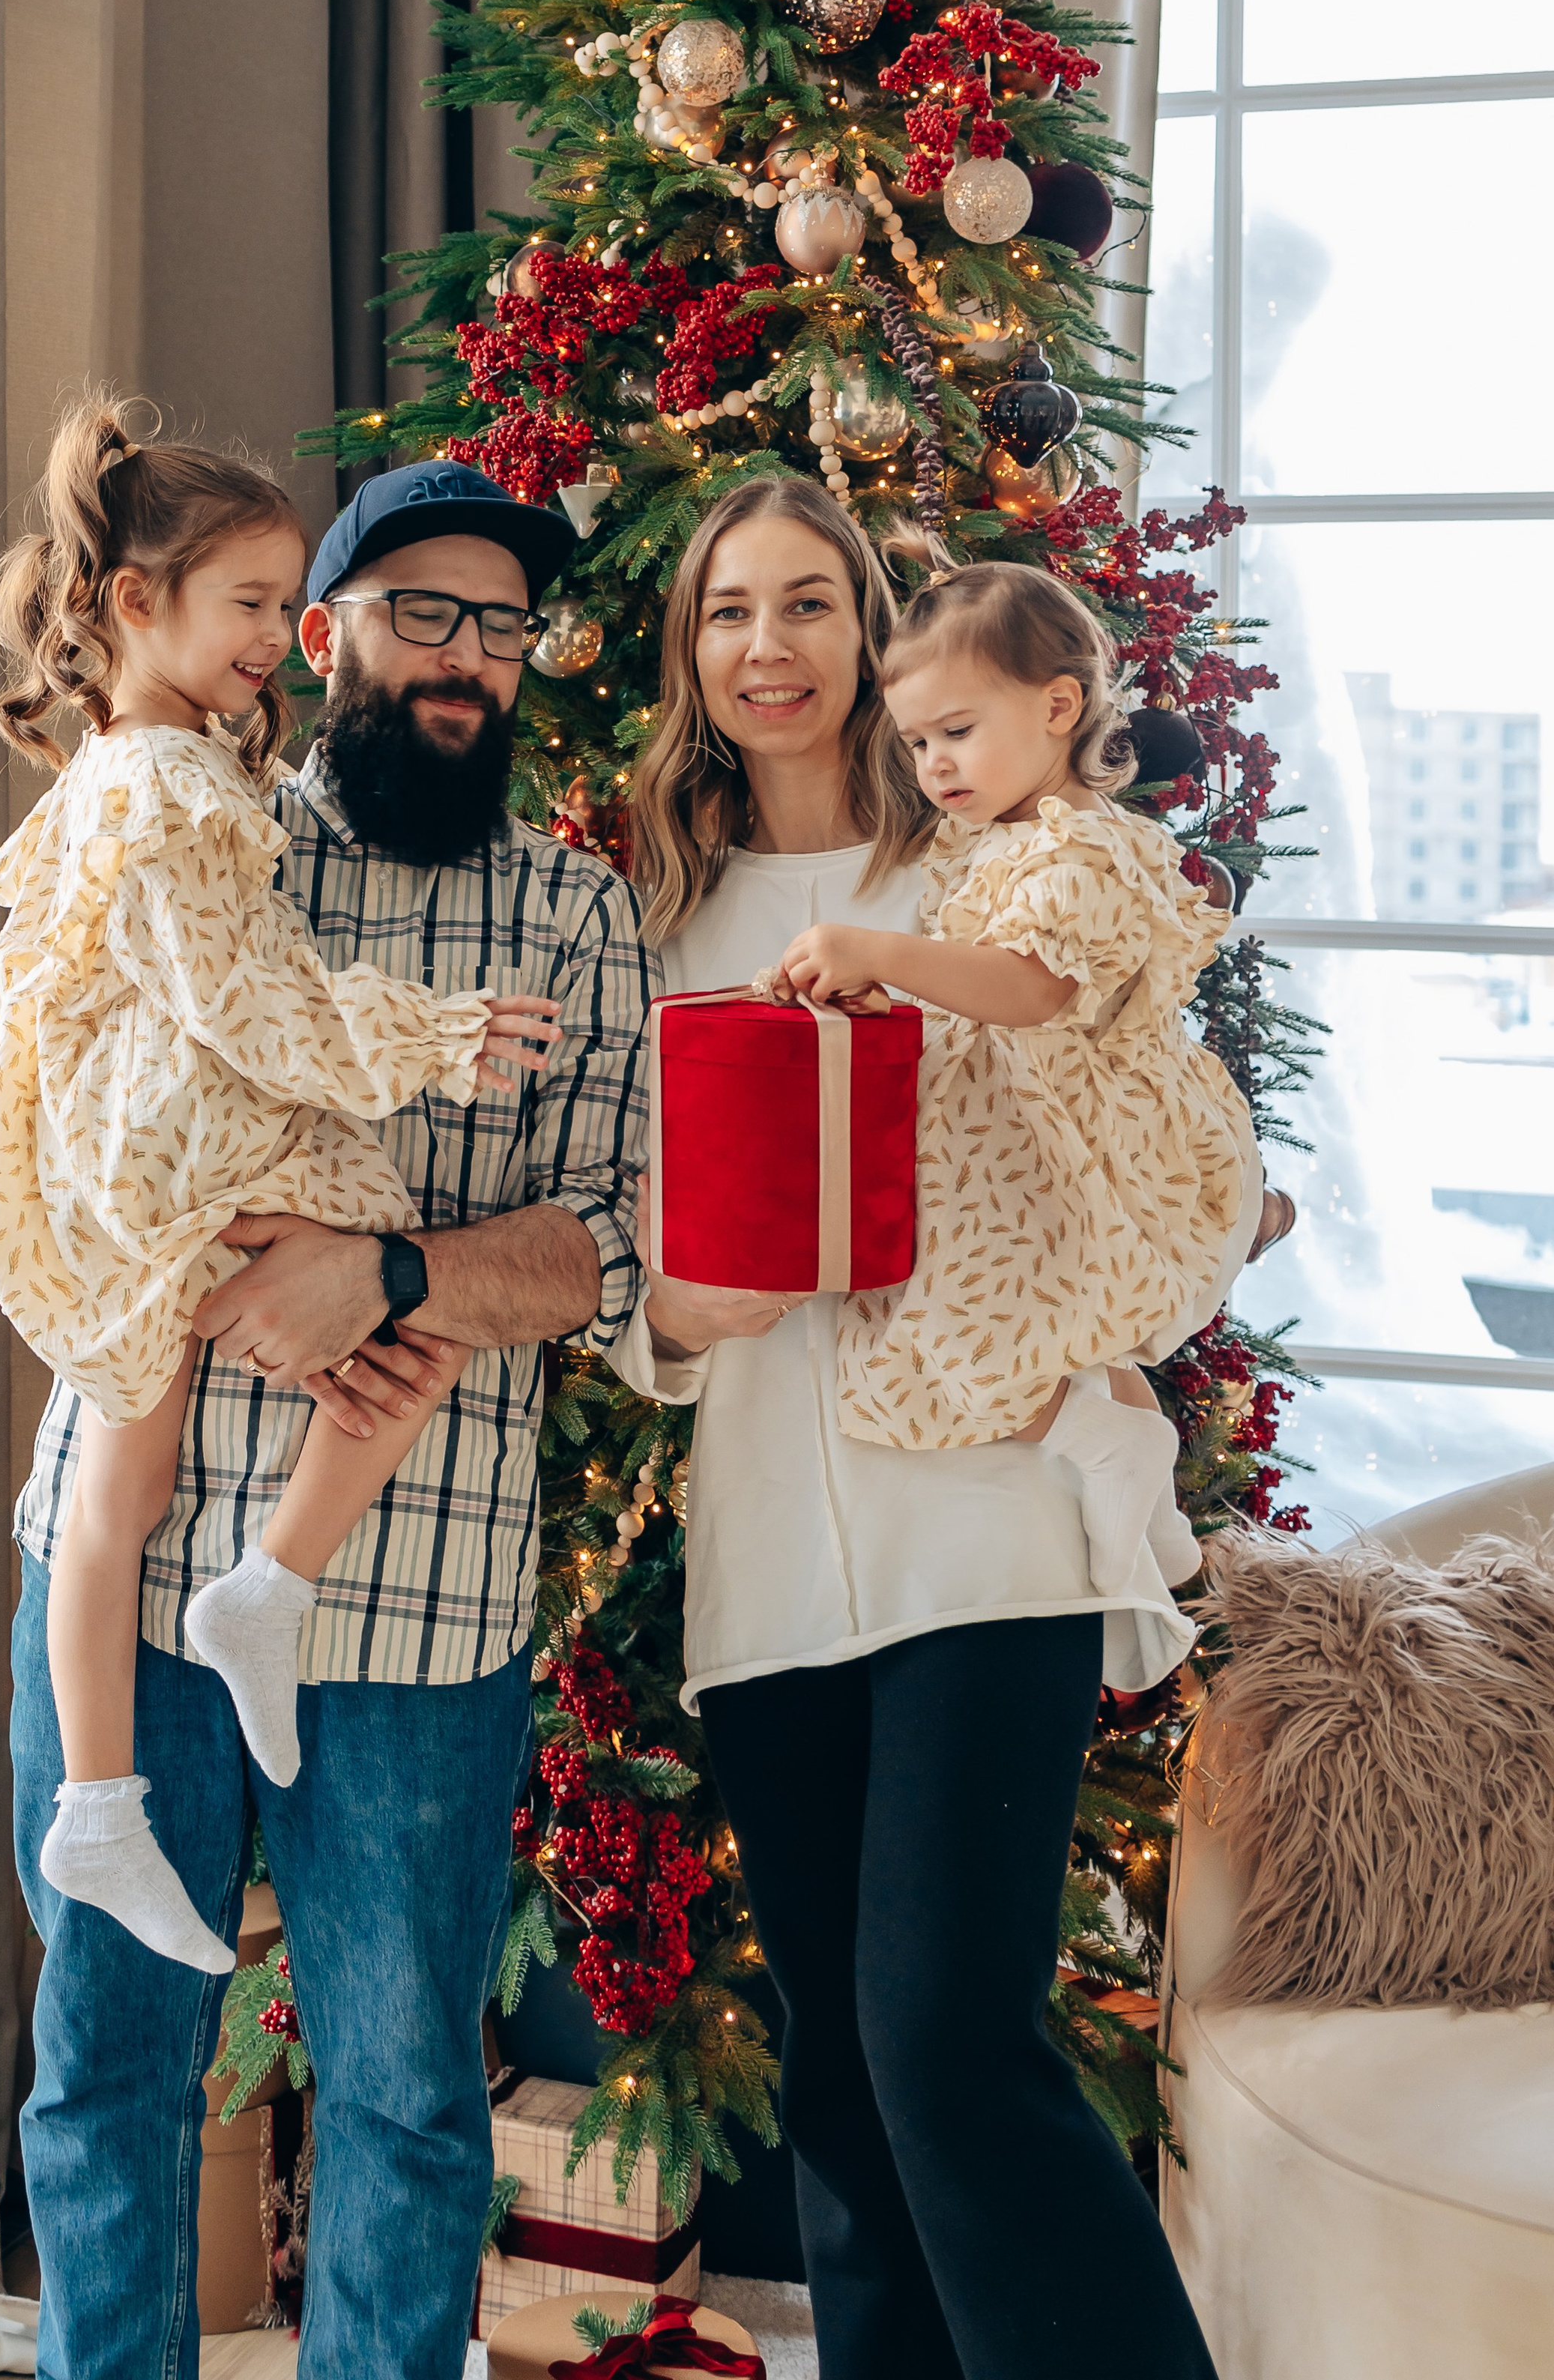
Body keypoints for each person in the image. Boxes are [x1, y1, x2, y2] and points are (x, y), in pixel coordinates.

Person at [0, 455, 655, 2380]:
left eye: (500, 625)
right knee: (103, 2073)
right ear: (313, 634)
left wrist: (389, 1271)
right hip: (132, 1560)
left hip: (412, 1604)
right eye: (419, 609)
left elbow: (611, 1245)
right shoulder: (186, 837)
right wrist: (219, 1256)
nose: (465, 656)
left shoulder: (576, 918)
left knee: (410, 2098)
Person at [609, 470, 1225, 2380]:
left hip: (980, 1514)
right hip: (767, 1553)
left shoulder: (982, 868)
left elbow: (1133, 1099)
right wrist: (670, 1321)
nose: (768, 645)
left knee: (949, 2036)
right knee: (840, 2083)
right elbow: (633, 1250)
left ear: (875, 649)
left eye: (809, 605)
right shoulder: (653, 916)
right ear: (688, 655)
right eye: (728, 612)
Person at [0, 399, 561, 1976]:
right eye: (252, 608)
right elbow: (250, 1007)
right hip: (172, 1153)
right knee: (150, 1459)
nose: (267, 655)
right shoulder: (176, 796)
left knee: (348, 1336)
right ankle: (184, 1691)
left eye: (499, 623)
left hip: (162, 1152)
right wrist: (436, 1035)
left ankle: (220, 1644)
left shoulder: (147, 772)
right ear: (131, 605)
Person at [770, 553, 1260, 1598]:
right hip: (1003, 1139)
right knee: (1009, 1323)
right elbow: (974, 985)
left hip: (1065, 1151)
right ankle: (1149, 1497)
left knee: (953, 1332)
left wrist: (880, 954)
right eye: (916, 741)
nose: (935, 762)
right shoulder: (996, 840)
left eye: (958, 730)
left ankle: (1104, 1440)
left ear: (1058, 706)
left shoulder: (1086, 847)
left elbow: (1031, 987)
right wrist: (887, 996)